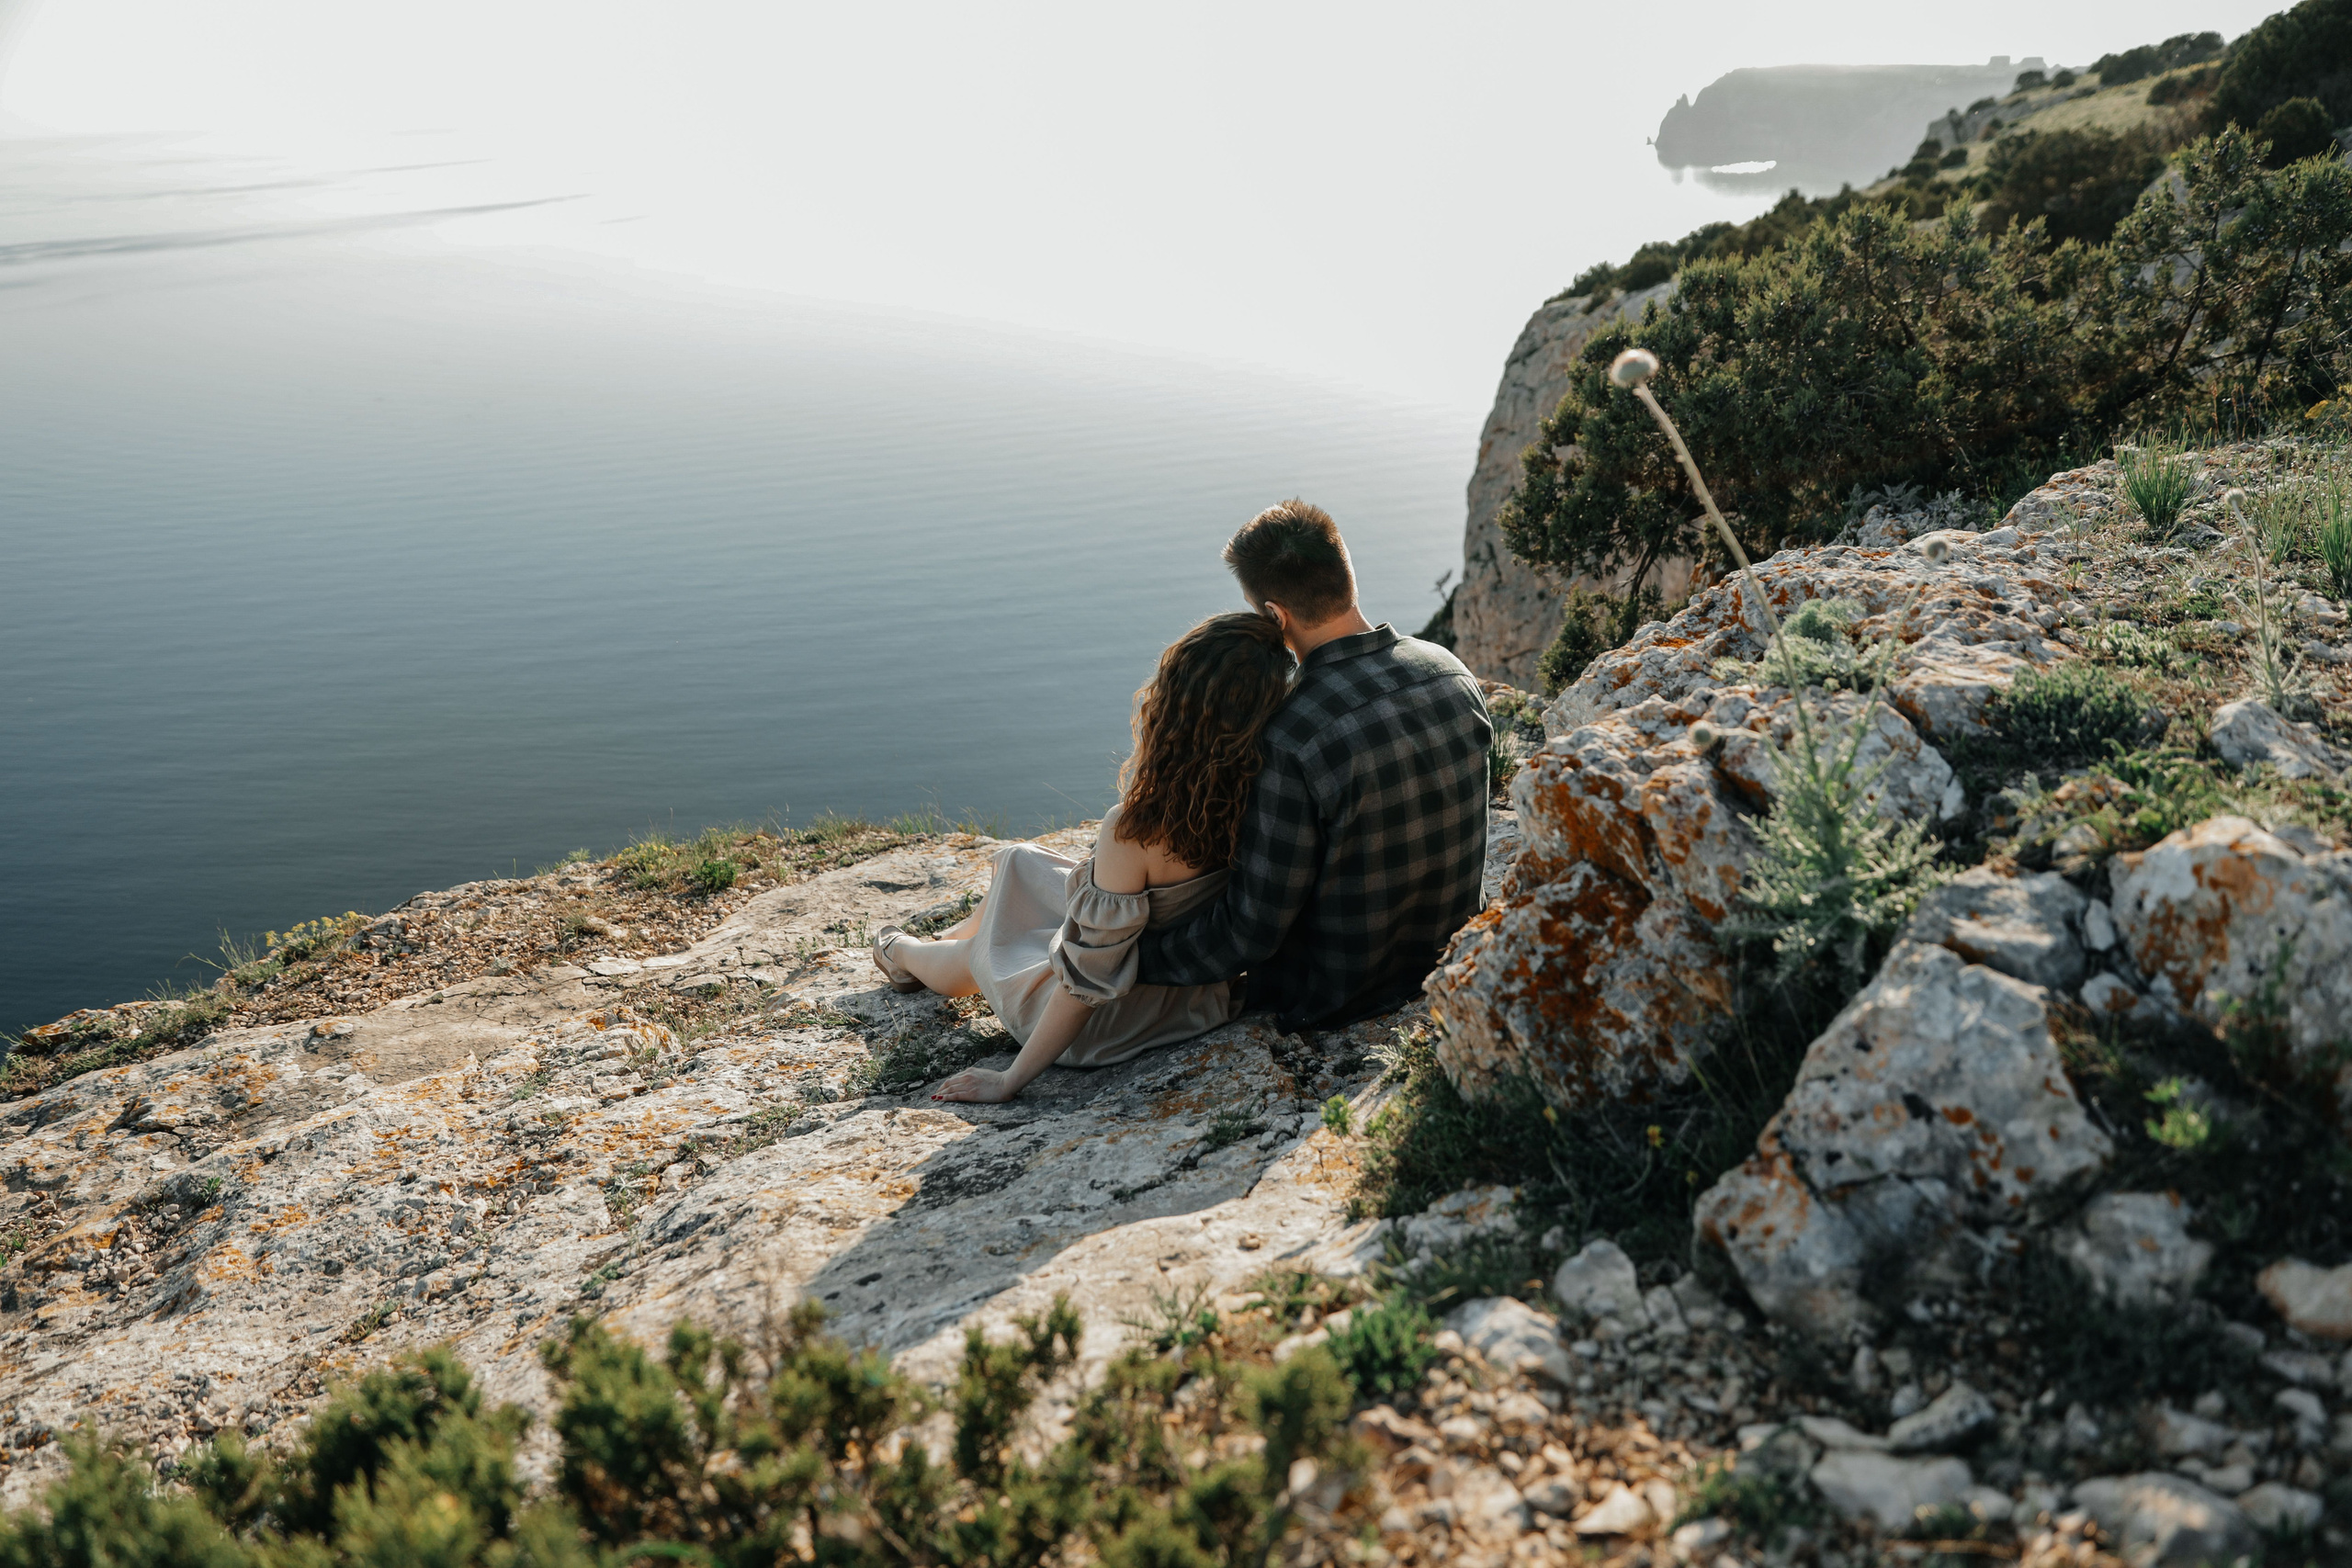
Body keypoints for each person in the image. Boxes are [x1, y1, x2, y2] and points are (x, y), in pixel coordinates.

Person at [870, 610, 1295, 1103]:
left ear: (1174, 707)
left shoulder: (1138, 828)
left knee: (979, 955)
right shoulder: (1269, 798)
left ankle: (899, 953)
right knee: (1018, 859)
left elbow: (1086, 984)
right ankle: (947, 936)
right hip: (1195, 999)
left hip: (1108, 1024)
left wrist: (1010, 1080)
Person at [1136, 499, 1490, 1032]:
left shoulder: (1290, 735)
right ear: (1346, 574)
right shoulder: (1451, 672)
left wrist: (1137, 957)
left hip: (1333, 997)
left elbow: (1248, 933)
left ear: (1275, 615)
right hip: (1450, 965)